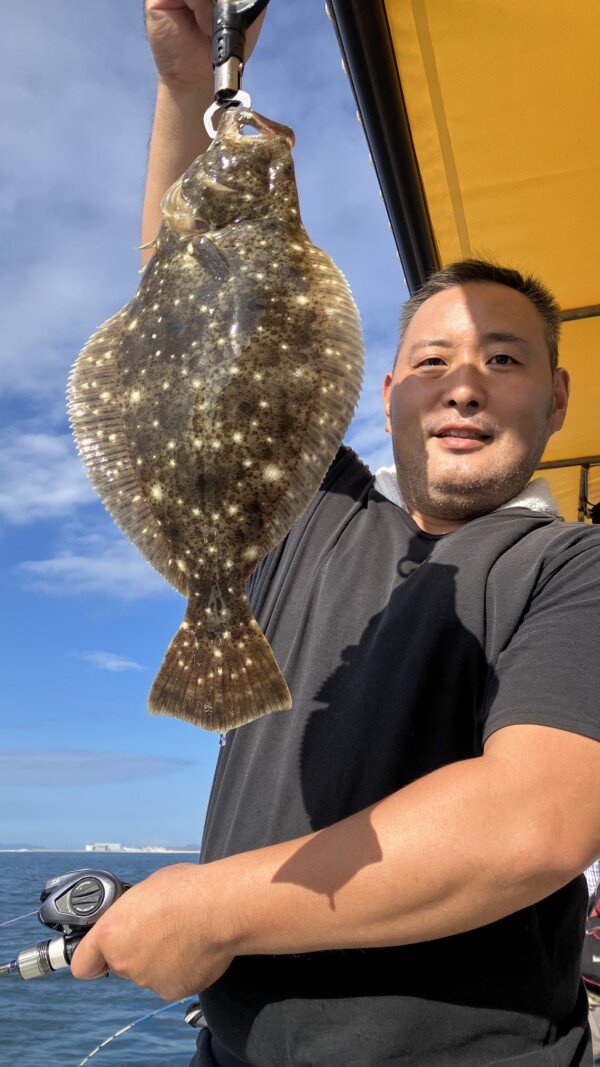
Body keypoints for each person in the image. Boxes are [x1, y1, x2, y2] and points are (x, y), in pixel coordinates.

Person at [71, 3, 600, 1065]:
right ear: (390, 392)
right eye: (435, 361)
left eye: (505, 359)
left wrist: (211, 909)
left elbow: (534, 823)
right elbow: (184, 309)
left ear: (558, 400)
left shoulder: (571, 564)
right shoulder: (316, 517)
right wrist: (186, 90)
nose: (465, 384)